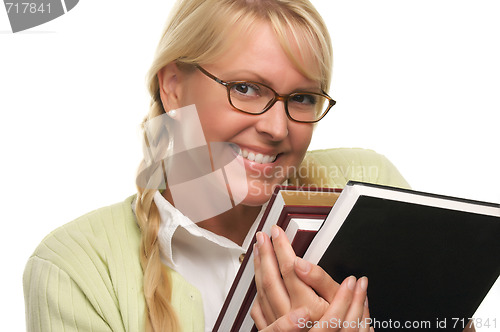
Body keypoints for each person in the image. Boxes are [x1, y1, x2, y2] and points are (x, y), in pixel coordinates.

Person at [23, 0, 375, 331]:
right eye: (246, 88)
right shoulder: (75, 269)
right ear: (173, 86)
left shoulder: (366, 191)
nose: (277, 128)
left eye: (302, 98)